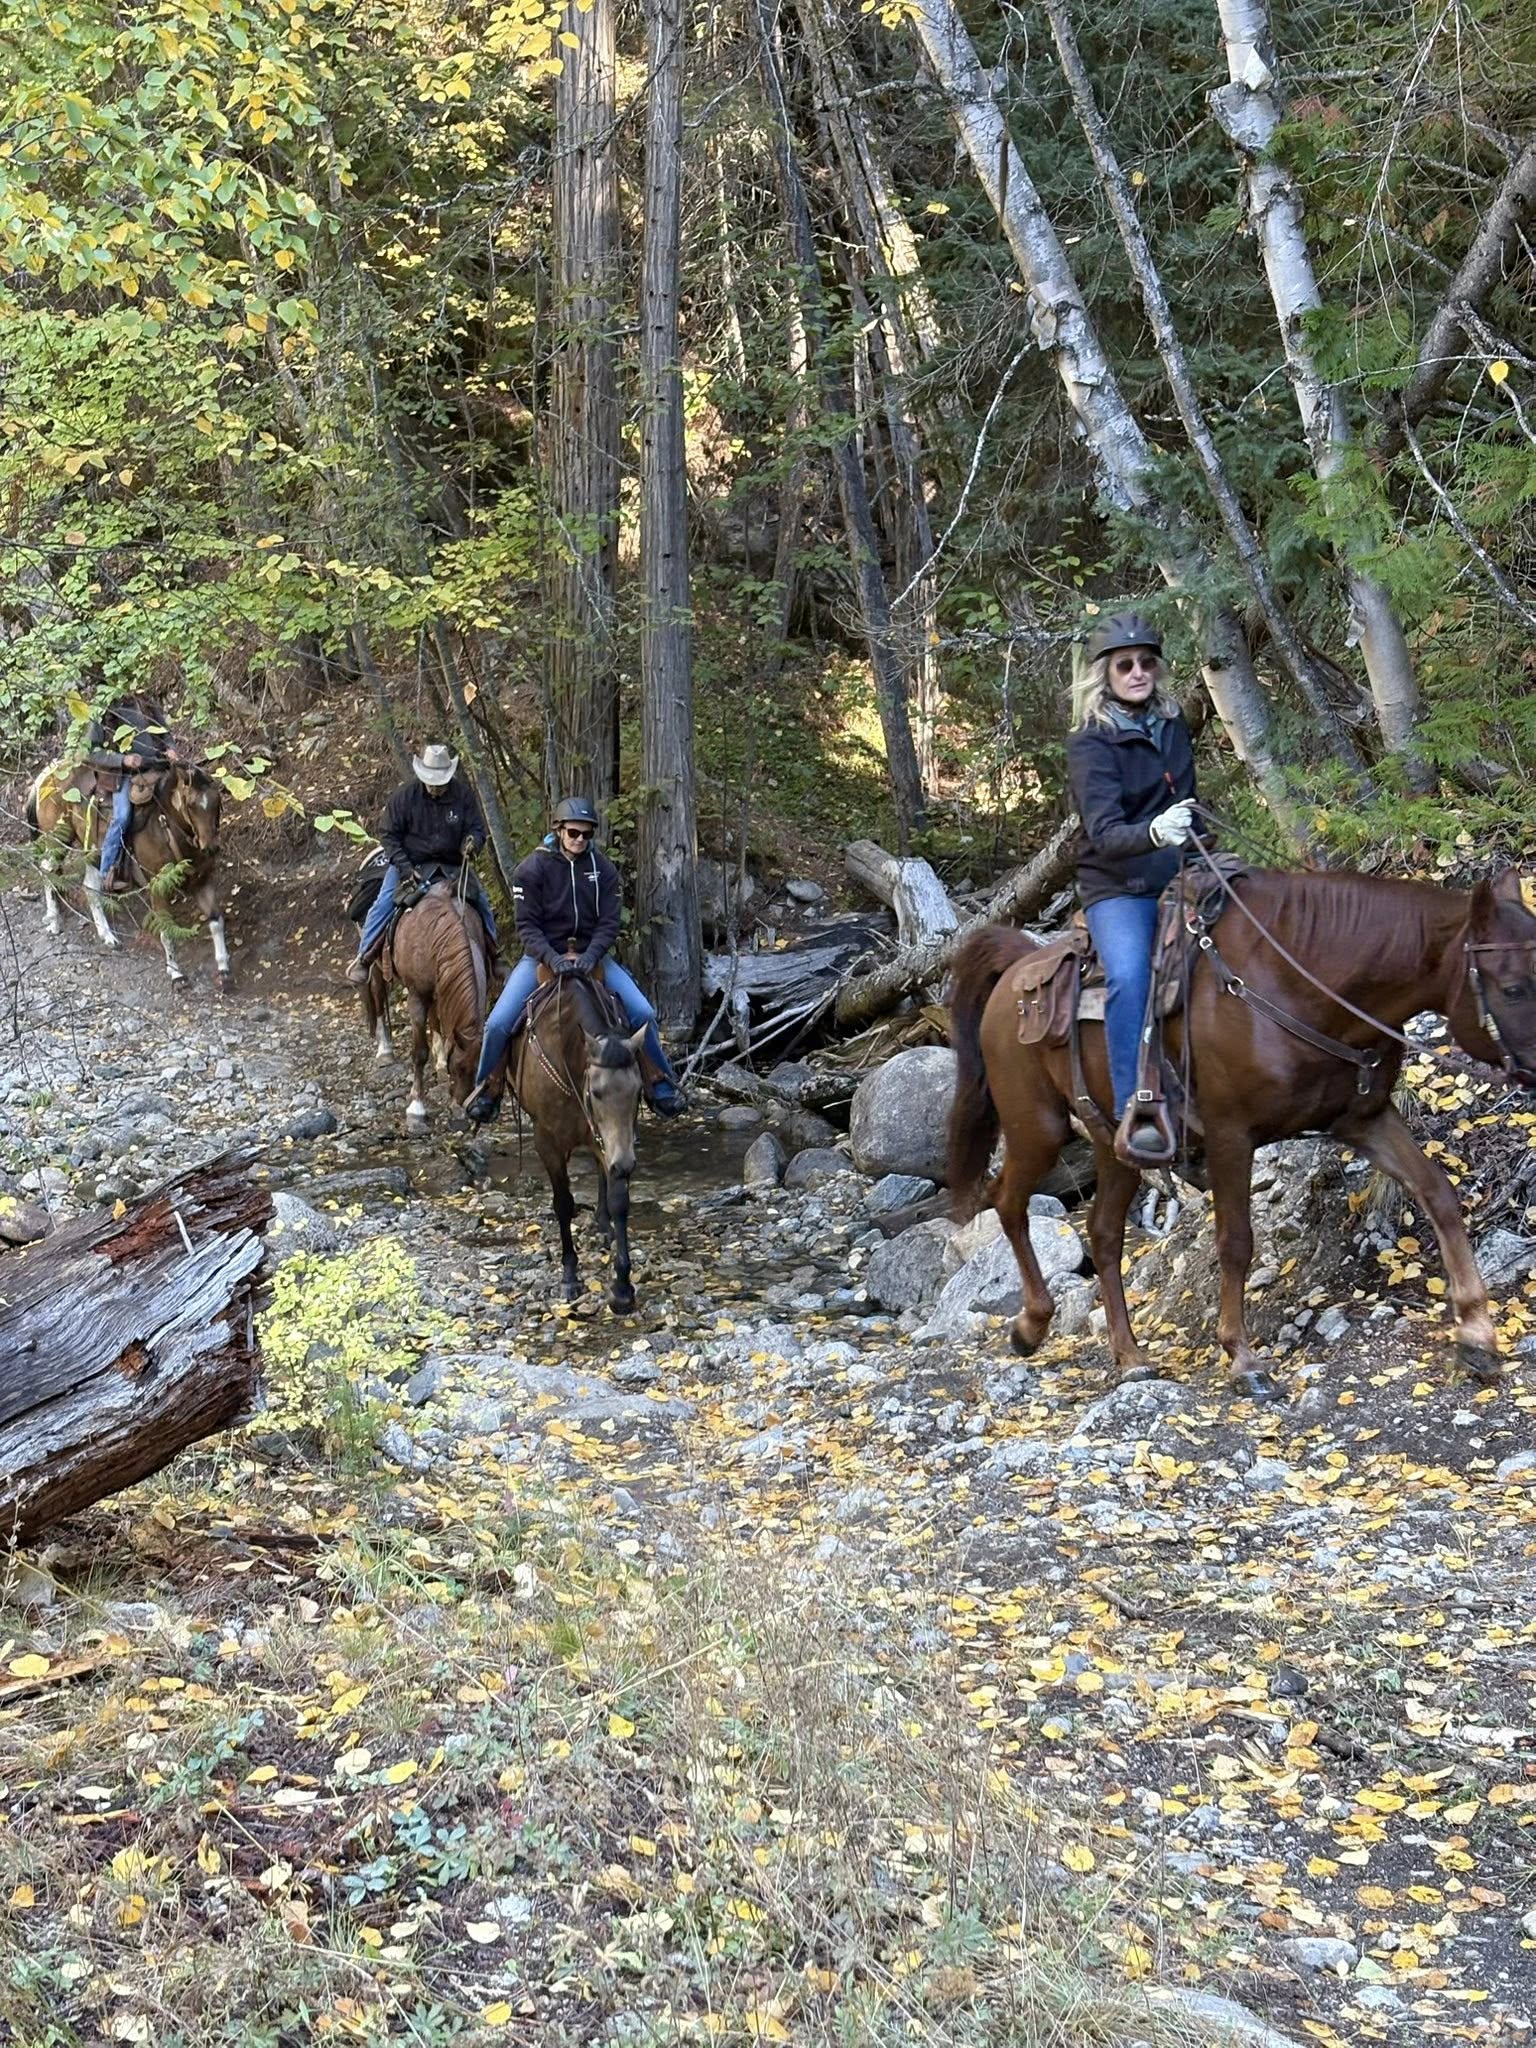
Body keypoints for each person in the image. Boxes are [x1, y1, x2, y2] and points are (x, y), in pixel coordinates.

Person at [1066, 612, 1201, 1161]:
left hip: (1179, 870)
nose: (1138, 672)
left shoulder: (1171, 723)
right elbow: (1103, 833)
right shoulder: (1090, 742)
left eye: (1146, 662)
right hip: (1118, 883)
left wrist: (1197, 839)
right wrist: (1154, 832)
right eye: (1125, 665)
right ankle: (1134, 1104)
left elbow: (1189, 802)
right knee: (1129, 974)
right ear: (1105, 673)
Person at [467, 796, 684, 1119]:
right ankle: (488, 1088)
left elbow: (610, 922)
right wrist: (551, 958)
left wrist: (592, 954)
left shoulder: (603, 869)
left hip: (591, 957)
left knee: (642, 1011)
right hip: (542, 958)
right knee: (498, 1023)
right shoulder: (531, 870)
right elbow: (527, 926)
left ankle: (660, 1084)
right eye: (573, 833)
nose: (580, 839)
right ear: (558, 830)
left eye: (586, 834)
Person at [346, 744, 497, 983]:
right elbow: (389, 835)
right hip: (411, 864)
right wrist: (405, 868)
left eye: (440, 783)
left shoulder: (463, 796)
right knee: (383, 903)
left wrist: (472, 843)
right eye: (432, 783)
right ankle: (364, 957)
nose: (436, 787)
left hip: (452, 864)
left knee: (482, 901)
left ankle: (495, 955)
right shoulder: (404, 798)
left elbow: (477, 828)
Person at [85, 697, 179, 892]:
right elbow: (92, 752)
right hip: (125, 775)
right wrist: (123, 759)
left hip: (158, 766)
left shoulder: (145, 700)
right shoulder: (103, 708)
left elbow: (165, 733)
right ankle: (106, 870)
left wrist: (171, 748)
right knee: (122, 816)